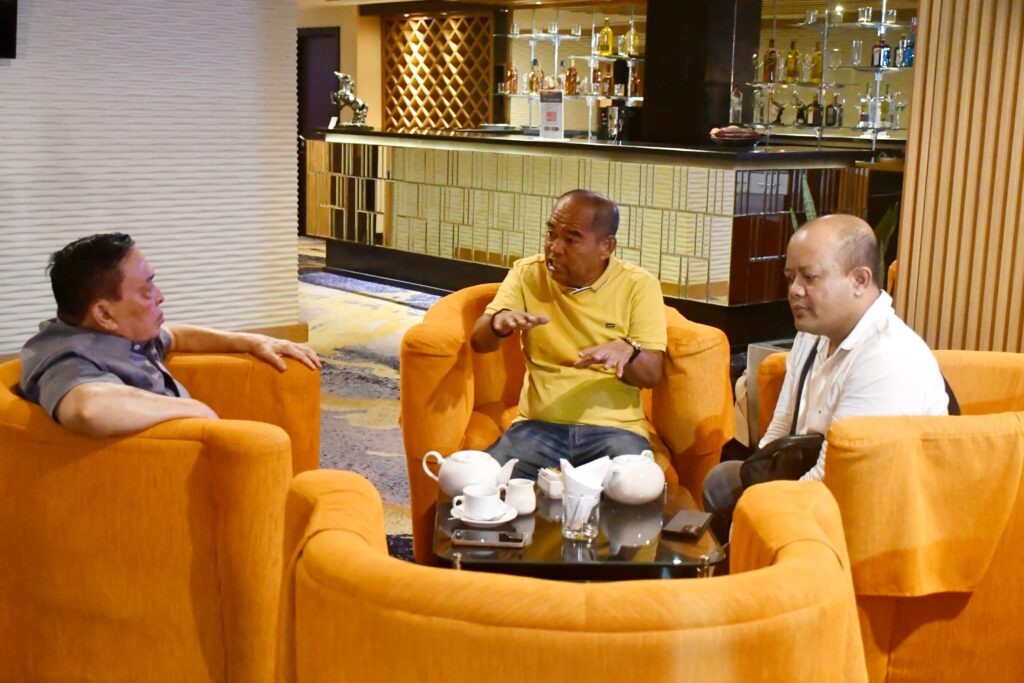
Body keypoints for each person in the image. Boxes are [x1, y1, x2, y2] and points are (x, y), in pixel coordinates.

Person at [702, 214, 948, 535]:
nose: (795, 290)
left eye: (810, 277)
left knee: (747, 511)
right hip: (815, 475)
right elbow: (782, 427)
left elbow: (835, 479)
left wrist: (758, 513)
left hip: (872, 511)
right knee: (723, 482)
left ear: (859, 280)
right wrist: (759, 482)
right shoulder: (813, 333)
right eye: (790, 277)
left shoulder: (886, 359)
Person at [20, 233, 321, 437]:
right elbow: (87, 409)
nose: (160, 296)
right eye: (146, 290)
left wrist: (252, 341)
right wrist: (197, 410)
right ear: (104, 314)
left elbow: (174, 335)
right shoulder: (68, 358)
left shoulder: (117, 332)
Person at [469, 189, 667, 480]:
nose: (555, 248)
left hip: (616, 431)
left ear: (606, 246)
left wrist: (629, 353)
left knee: (636, 489)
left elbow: (651, 375)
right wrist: (498, 323)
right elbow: (479, 341)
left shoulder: (639, 285)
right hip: (537, 427)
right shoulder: (527, 274)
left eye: (571, 239)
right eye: (551, 234)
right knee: (477, 481)